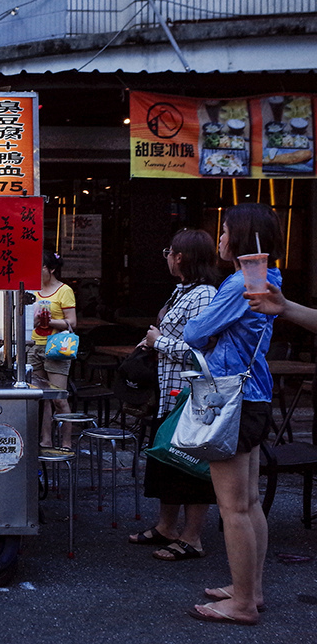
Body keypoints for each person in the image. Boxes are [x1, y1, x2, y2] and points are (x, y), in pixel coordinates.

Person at [180, 203, 282, 626]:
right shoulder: (267, 278)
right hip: (255, 395)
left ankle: (241, 603)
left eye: (223, 231)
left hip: (231, 399)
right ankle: (251, 591)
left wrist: (206, 330)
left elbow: (193, 332)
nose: (219, 239)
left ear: (241, 237)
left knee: (233, 507)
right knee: (250, 500)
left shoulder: (240, 282)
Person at [128, 228, 219, 561]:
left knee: (189, 464)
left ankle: (192, 537)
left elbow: (203, 349)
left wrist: (158, 342)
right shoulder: (183, 290)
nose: (166, 256)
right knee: (166, 460)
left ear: (180, 256)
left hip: (189, 394)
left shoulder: (205, 295)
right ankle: (166, 527)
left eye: (169, 251)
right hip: (167, 391)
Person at [29, 251, 78, 449]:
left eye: (40, 267)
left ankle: (66, 442)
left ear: (51, 269)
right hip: (33, 346)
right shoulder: (32, 290)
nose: (36, 271)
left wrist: (50, 321)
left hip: (57, 346)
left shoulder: (64, 290)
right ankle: (46, 439)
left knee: (59, 398)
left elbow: (73, 322)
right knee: (42, 397)